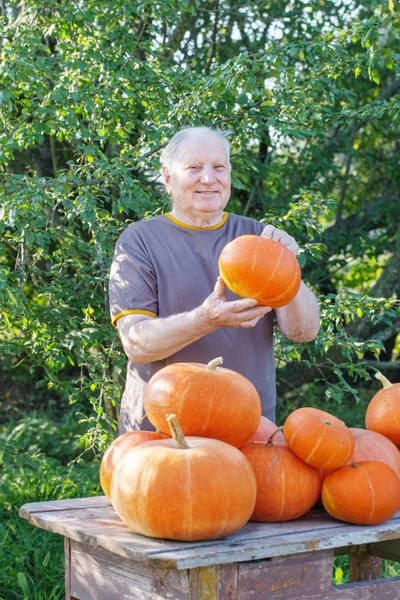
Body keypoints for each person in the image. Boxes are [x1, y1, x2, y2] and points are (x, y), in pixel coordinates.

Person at [109, 127, 320, 433]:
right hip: (161, 433)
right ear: (168, 178)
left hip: (247, 429)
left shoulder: (259, 238)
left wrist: (287, 268)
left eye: (219, 167)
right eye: (194, 168)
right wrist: (206, 319)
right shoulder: (138, 241)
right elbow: (137, 343)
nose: (208, 178)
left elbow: (304, 331)